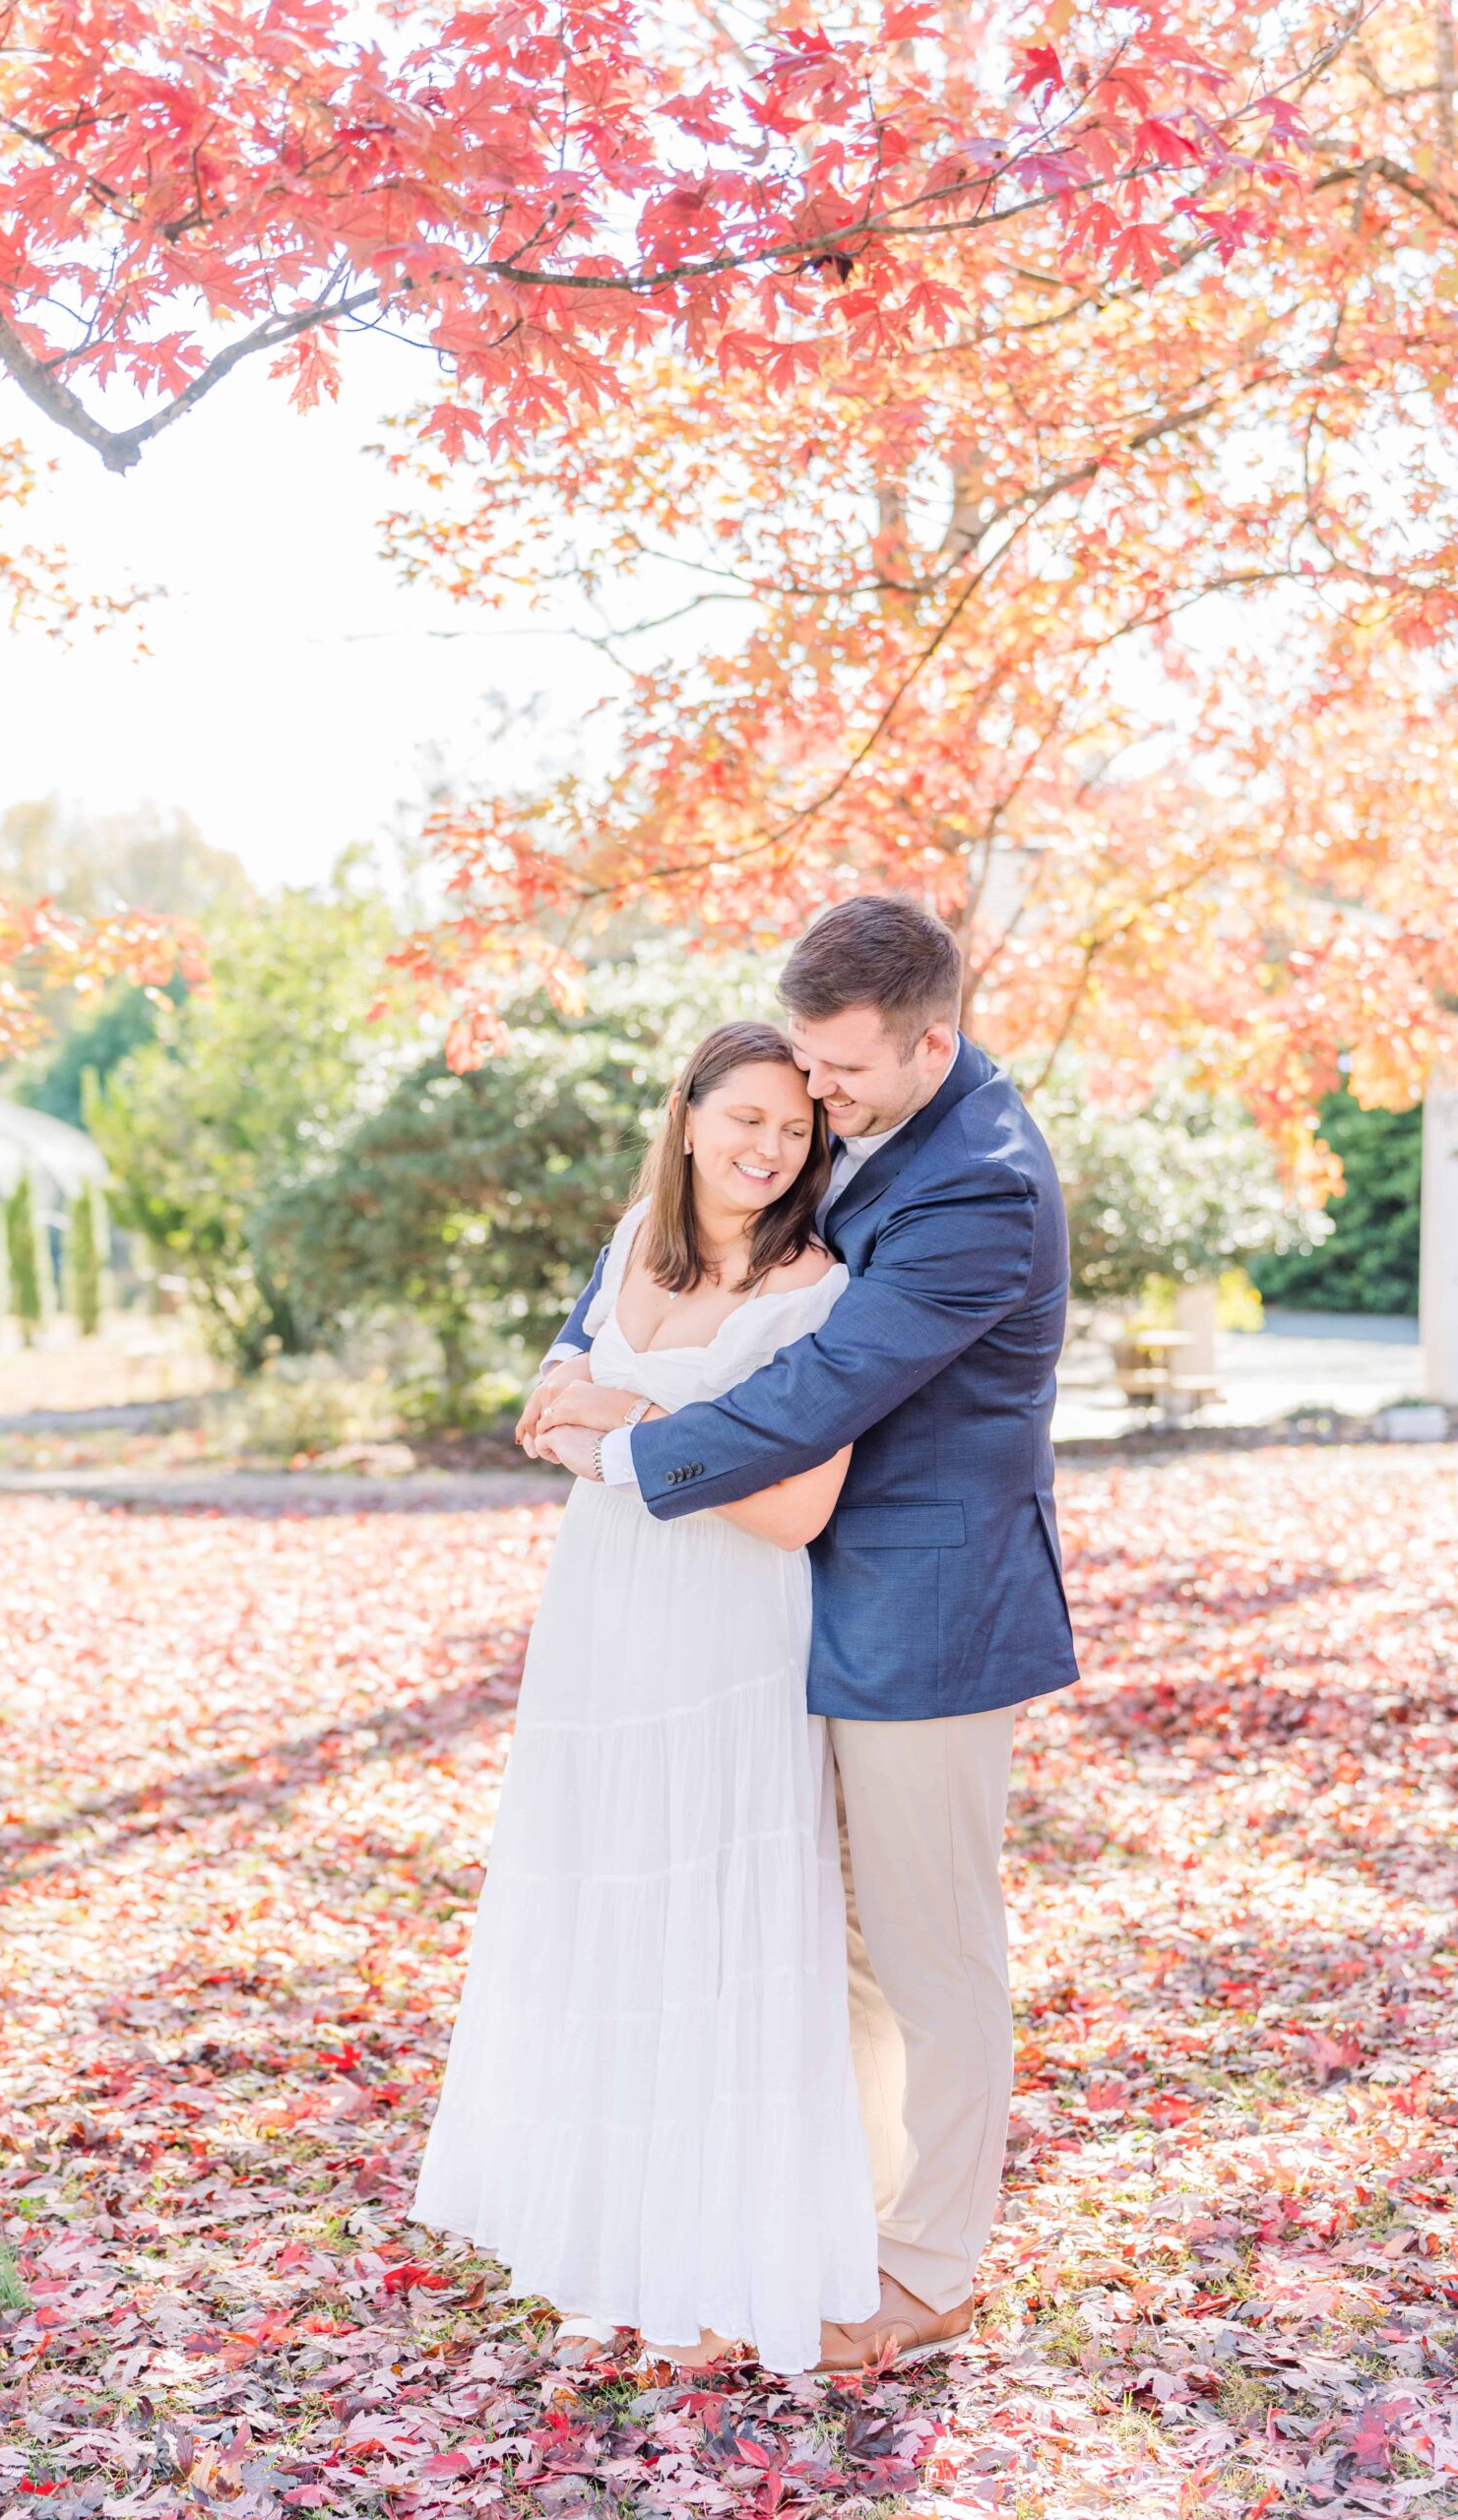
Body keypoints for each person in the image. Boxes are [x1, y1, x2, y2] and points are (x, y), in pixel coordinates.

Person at [525, 893, 1078, 2371]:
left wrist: (622, 1446)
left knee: (931, 1956)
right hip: (793, 1613)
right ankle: (832, 2231)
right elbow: (696, 1255)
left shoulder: (984, 1191)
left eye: (838, 1078)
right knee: (828, 1949)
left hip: (927, 1616)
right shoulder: (878, 1130)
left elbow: (820, 1390)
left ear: (932, 1043)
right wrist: (588, 1353)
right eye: (805, 1075)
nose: (815, 1106)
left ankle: (932, 2264)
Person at [412, 1020, 881, 2374]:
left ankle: (729, 2275)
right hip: (604, 1619)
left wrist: (617, 1421)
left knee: (716, 1927)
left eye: (796, 1131)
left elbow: (796, 1507)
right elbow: (546, 1416)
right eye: (745, 1118)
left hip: (726, 1632)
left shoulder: (816, 1290)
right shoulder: (631, 1243)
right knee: (608, 1903)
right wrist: (593, 1411)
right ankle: (620, 2247)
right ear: (685, 1117)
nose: (769, 1147)